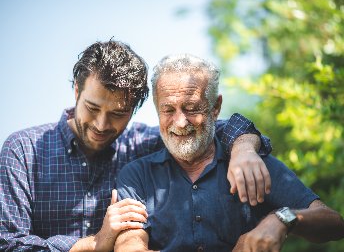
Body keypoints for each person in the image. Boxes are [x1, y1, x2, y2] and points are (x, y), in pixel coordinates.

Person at [0, 40, 273, 252]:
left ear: (135, 109)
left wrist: (244, 148)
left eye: (118, 113)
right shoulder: (23, 151)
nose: (102, 124)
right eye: (92, 108)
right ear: (76, 92)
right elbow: (8, 244)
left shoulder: (143, 145)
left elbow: (209, 126)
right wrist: (95, 243)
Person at [114, 54, 344, 252]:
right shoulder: (137, 174)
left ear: (215, 108)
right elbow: (129, 242)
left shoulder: (251, 163)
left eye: (192, 108)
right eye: (168, 110)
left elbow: (334, 223)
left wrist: (282, 218)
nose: (181, 122)